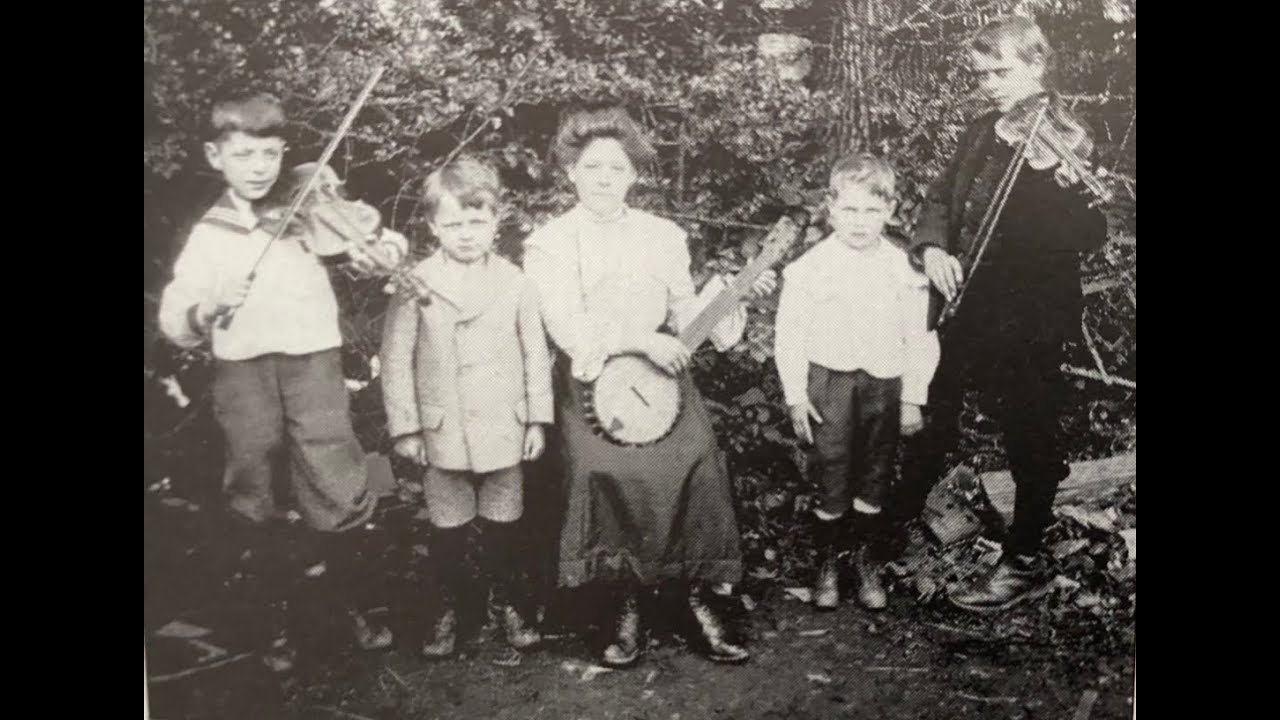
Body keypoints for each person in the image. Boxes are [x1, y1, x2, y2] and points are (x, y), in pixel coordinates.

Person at [157, 91, 407, 669]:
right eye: (244, 154)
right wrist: (209, 306)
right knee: (253, 480)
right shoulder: (210, 233)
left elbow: (367, 242)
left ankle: (350, 601)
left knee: (335, 472)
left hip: (312, 359)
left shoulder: (306, 208)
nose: (259, 168)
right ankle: (273, 620)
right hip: (243, 368)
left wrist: (383, 249)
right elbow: (176, 315)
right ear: (215, 156)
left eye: (269, 154)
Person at [522, 105, 776, 667]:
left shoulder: (662, 235)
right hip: (592, 379)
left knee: (698, 457)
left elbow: (686, 313)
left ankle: (691, 598)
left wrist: (731, 297)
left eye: (617, 168)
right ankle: (623, 604)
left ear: (634, 175)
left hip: (659, 381)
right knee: (603, 467)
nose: (605, 179)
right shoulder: (551, 242)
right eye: (592, 168)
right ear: (570, 172)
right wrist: (640, 339)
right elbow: (566, 327)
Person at [891, 16, 1109, 612]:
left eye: (1001, 71)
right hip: (967, 303)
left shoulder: (1070, 139)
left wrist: (1062, 189)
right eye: (981, 73)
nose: (988, 84)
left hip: (1029, 316)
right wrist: (933, 246)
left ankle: (1025, 560)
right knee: (935, 413)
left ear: (1038, 66)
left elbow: (1091, 231)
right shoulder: (982, 129)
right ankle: (896, 523)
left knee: (1029, 433)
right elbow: (940, 196)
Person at [380, 157, 554, 658]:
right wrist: (407, 429)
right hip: (443, 429)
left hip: (504, 425)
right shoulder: (415, 282)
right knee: (448, 531)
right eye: (452, 224)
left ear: (496, 221)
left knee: (505, 523)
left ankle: (508, 604)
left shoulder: (515, 281)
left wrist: (537, 418)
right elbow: (396, 358)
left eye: (476, 222)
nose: (465, 234)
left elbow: (534, 353)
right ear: (433, 226)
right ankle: (451, 608)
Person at [774, 153, 938, 612]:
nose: (860, 222)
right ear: (830, 208)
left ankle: (865, 559)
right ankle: (827, 560)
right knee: (831, 464)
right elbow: (789, 336)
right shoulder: (811, 267)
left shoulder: (904, 268)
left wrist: (913, 398)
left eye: (871, 211)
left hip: (884, 383)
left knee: (876, 468)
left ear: (890, 211)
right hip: (830, 382)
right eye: (850, 210)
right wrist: (794, 396)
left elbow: (920, 336)